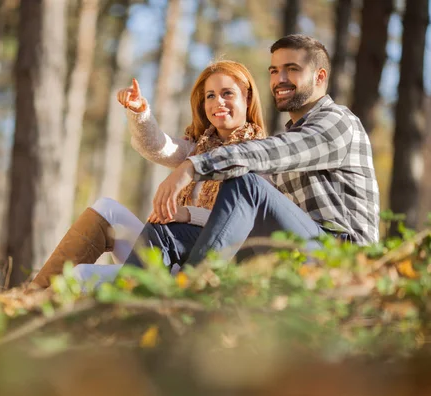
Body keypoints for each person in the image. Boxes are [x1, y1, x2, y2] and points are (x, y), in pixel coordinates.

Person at [124, 34, 380, 270]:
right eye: (274, 71)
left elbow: (269, 153)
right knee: (165, 234)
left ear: (320, 77)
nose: (280, 79)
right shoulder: (292, 133)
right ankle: (125, 308)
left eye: (292, 69)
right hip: (295, 245)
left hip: (343, 257)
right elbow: (159, 146)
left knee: (247, 182)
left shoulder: (337, 122)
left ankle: (192, 290)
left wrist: (192, 167)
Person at [30, 60, 267, 288]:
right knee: (106, 209)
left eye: (227, 93)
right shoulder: (199, 149)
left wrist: (188, 214)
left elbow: (240, 223)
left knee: (81, 275)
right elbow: (157, 146)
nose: (218, 102)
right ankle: (31, 295)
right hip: (168, 248)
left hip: (198, 266)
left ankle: (40, 311)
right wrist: (139, 111)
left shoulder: (258, 154)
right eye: (210, 96)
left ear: (247, 97)